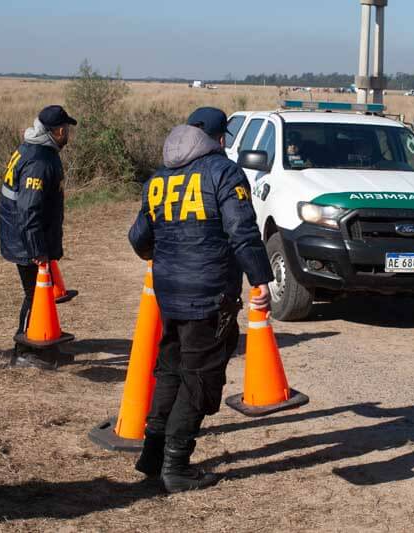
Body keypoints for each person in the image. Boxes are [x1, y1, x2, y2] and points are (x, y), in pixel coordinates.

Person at [129, 107, 274, 493]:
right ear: (219, 138)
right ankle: (176, 467)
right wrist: (261, 281)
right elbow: (242, 231)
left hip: (169, 294)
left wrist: (163, 257)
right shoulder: (224, 173)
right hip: (209, 295)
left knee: (171, 370)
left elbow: (139, 237)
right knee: (199, 380)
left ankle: (152, 453)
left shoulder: (158, 178)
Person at [0, 105, 76, 369]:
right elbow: (29, 207)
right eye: (66, 129)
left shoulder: (29, 148)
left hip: (23, 235)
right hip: (26, 239)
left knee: (37, 294)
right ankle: (25, 352)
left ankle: (44, 346)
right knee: (35, 296)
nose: (68, 134)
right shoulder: (41, 161)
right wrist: (36, 249)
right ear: (57, 131)